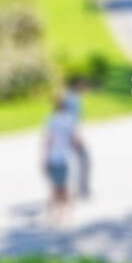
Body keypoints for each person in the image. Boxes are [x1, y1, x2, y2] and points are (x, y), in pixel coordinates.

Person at [43, 91, 79, 223]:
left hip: (53, 158)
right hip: (66, 158)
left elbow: (48, 141)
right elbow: (76, 139)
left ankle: (53, 215)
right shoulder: (70, 120)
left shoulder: (52, 119)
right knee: (66, 188)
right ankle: (68, 214)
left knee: (55, 188)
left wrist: (44, 158)